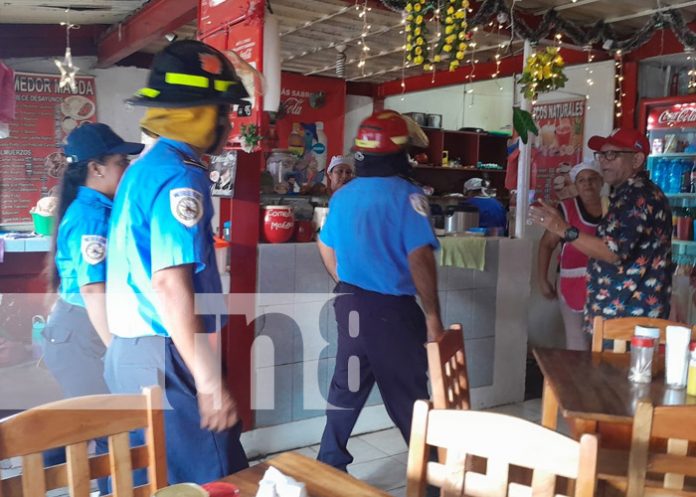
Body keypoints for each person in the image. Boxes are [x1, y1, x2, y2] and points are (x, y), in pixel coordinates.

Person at [105, 40, 249, 484]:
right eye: (223, 110)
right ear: (199, 111)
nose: (228, 123)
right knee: (215, 480)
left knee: (153, 481)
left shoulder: (144, 167)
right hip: (166, 354)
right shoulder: (180, 174)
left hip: (132, 353)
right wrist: (208, 382)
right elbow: (169, 284)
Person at [316, 110, 444, 471]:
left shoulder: (342, 196)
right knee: (409, 397)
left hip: (350, 304)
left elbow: (325, 246)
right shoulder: (408, 196)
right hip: (392, 313)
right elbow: (420, 259)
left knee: (347, 387)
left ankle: (329, 465)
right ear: (399, 154)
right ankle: (432, 478)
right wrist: (433, 317)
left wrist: (347, 280)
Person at [43, 122, 143, 493]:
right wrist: (117, 350)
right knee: (109, 427)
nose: (126, 169)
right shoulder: (91, 217)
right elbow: (93, 289)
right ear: (95, 168)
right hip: (85, 331)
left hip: (82, 328)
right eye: (120, 162)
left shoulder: (99, 208)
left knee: (98, 428)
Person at [529, 128, 672, 335]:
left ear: (637, 159)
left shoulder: (637, 196)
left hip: (628, 320)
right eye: (602, 155)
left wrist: (562, 228)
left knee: (611, 368)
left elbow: (611, 251)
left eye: (612, 154)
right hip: (623, 317)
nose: (604, 161)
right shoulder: (630, 194)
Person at [536, 162, 604, 350]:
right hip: (571, 280)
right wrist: (542, 280)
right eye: (581, 180)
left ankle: (596, 379)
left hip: (605, 283)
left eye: (592, 179)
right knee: (577, 340)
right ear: (575, 185)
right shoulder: (566, 210)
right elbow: (546, 244)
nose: (587, 184)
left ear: (602, 182)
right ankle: (577, 379)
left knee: (603, 340)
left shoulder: (613, 208)